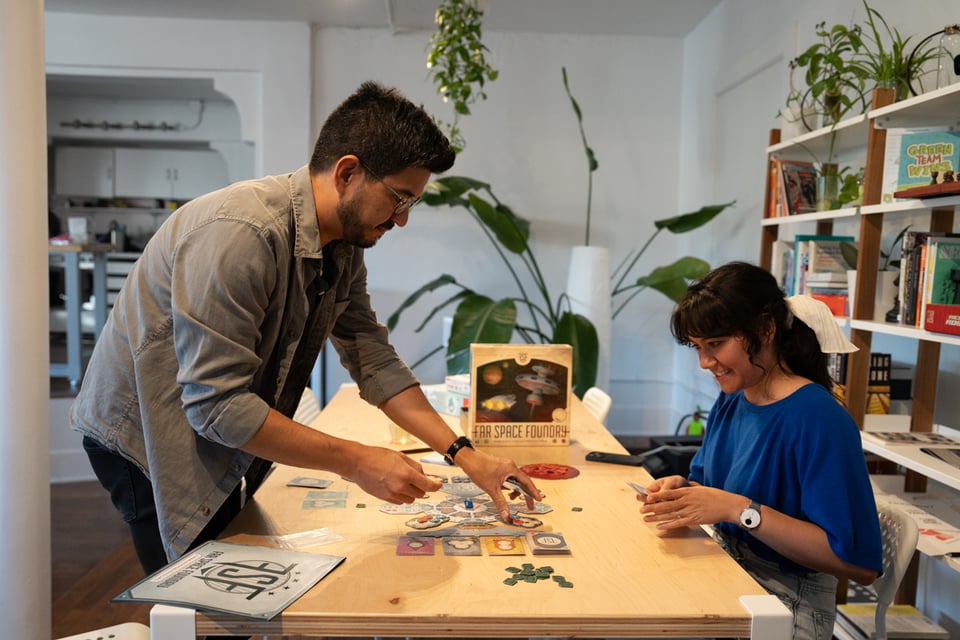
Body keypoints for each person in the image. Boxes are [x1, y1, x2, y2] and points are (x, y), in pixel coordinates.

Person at [71, 81, 542, 574]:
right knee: (203, 595)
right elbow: (218, 405)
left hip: (211, 416)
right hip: (143, 429)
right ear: (348, 172)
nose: (402, 220)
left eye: (412, 203)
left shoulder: (344, 243)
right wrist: (357, 460)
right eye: (400, 198)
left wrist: (465, 454)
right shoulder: (241, 234)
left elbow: (372, 356)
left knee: (235, 565)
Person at [639, 261, 882, 640]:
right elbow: (709, 484)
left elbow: (856, 562)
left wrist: (738, 510)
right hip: (728, 572)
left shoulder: (818, 418)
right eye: (698, 348)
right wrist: (683, 490)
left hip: (787, 604)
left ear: (765, 331)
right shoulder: (734, 398)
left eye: (716, 345)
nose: (705, 363)